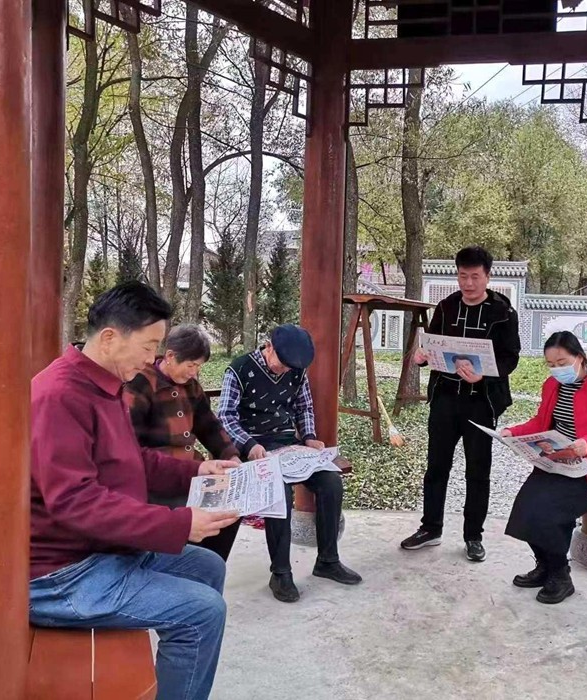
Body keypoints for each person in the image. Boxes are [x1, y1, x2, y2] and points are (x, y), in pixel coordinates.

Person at [29, 282, 241, 700]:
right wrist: (178, 524)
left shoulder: (105, 385)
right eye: (149, 346)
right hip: (62, 573)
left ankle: (180, 670)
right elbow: (75, 501)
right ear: (110, 338)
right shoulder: (60, 395)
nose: (152, 358)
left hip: (104, 550)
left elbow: (133, 460)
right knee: (202, 612)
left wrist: (200, 470)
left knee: (207, 567)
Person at [217, 323, 361, 603]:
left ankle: (328, 560)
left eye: (289, 367)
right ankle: (281, 572)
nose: (284, 371)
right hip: (253, 447)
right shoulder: (239, 370)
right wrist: (249, 444)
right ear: (268, 346)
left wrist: (309, 437)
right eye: (281, 364)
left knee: (330, 481)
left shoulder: (296, 369)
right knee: (278, 491)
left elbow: (303, 406)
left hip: (287, 444)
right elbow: (226, 416)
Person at [400, 245, 522, 562]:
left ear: (487, 277)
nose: (468, 283)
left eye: (475, 276)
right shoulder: (446, 307)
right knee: (436, 467)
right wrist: (421, 357)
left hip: (482, 401)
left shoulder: (503, 312)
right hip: (445, 398)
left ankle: (473, 536)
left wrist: (484, 375)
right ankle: (430, 528)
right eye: (463, 276)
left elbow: (511, 358)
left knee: (478, 471)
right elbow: (431, 345)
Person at [502, 331, 587, 604]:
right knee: (526, 508)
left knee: (549, 513)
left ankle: (560, 575)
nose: (556, 369)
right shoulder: (552, 385)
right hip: (557, 459)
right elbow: (540, 423)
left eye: (562, 362)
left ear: (580, 358)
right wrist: (513, 432)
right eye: (551, 364)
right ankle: (545, 566)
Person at [125, 323, 243, 562]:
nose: (194, 372)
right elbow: (129, 445)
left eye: (198, 366)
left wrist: (230, 454)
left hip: (194, 472)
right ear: (170, 356)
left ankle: (209, 567)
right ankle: (183, 569)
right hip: (158, 478)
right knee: (194, 517)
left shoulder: (192, 387)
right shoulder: (140, 384)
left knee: (231, 510)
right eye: (191, 365)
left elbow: (209, 425)